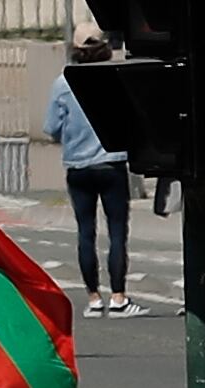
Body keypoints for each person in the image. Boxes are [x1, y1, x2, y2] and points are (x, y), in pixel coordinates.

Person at [47, 41, 139, 317]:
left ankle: (93, 297)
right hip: (111, 163)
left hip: (78, 166)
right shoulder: (115, 79)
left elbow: (51, 127)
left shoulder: (63, 83)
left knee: (85, 232)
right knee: (117, 231)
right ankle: (119, 296)